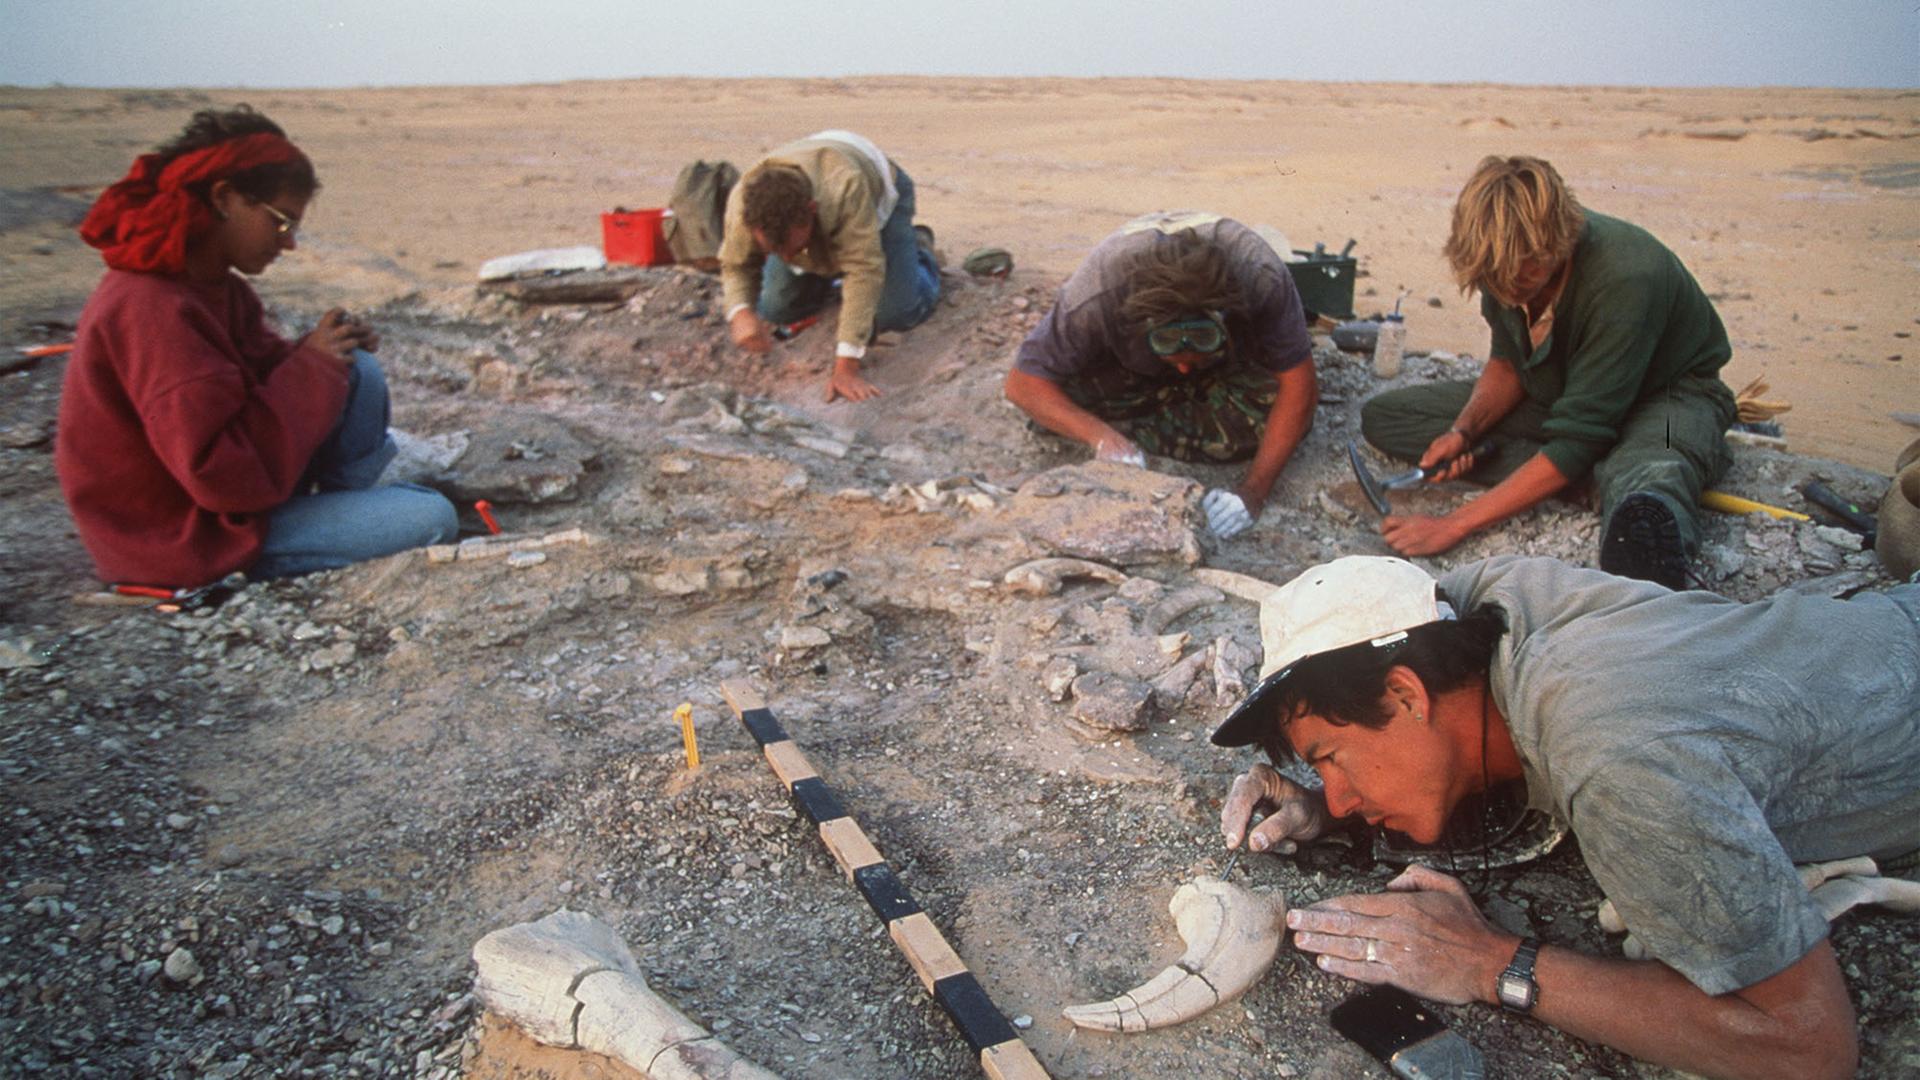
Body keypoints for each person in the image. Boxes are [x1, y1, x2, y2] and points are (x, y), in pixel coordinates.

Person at [1210, 553, 1920, 1079]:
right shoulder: (1479, 608)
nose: (1334, 792)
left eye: (1330, 757)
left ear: (1404, 696)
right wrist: (1341, 808)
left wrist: (1490, 962)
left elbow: (1808, 1046)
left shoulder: (1615, 750)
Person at [56, 106, 457, 589]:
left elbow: (261, 382)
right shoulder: (153, 309)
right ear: (225, 198)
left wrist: (326, 351)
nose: (287, 244)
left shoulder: (213, 288)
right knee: (431, 516)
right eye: (281, 222)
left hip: (236, 503)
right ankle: (334, 523)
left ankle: (335, 514)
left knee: (358, 369)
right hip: (182, 539)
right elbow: (217, 475)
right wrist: (311, 365)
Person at [1359, 156, 1737, 589]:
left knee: (1647, 493)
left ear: (1556, 243)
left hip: (1668, 395)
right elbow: (1507, 363)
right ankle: (1584, 477)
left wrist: (1454, 524)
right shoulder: (1501, 260)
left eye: (1520, 276)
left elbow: (1580, 437)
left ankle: (1616, 479)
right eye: (1494, 278)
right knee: (1390, 417)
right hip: (1566, 389)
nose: (1504, 287)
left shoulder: (1626, 276)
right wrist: (1463, 432)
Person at [1003, 212, 1317, 541]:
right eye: (1169, 348)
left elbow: (1300, 388)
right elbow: (1022, 384)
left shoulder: (1259, 276)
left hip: (1225, 373)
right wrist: (1104, 439)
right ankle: (1142, 425)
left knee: (1281, 414)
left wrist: (1252, 494)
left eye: (1199, 347)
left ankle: (1166, 410)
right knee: (1057, 401)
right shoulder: (1098, 293)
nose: (1182, 368)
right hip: (1126, 372)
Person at [718, 130, 941, 404]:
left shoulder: (845, 188)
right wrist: (740, 311)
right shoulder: (744, 206)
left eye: (794, 249)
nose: (787, 258)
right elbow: (735, 264)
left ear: (811, 210)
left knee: (896, 312)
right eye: (776, 252)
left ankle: (920, 250)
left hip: (878, 196)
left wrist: (846, 367)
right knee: (776, 308)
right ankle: (826, 271)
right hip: (818, 216)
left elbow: (863, 270)